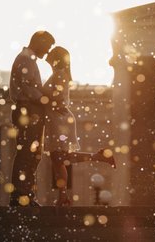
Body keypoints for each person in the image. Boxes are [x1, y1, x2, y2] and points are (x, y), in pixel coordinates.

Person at [42, 46, 116, 206]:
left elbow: (59, 98)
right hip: (56, 119)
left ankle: (63, 196)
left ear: (57, 58)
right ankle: (98, 157)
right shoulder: (58, 73)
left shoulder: (59, 74)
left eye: (51, 53)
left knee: (58, 158)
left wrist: (44, 98)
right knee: (59, 158)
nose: (47, 55)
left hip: (58, 120)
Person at [9, 31, 55, 206]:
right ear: (40, 41)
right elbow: (29, 89)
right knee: (27, 153)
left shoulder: (28, 59)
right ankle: (20, 195)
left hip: (30, 110)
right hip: (27, 110)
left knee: (33, 154)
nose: (48, 51)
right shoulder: (25, 59)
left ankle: (26, 194)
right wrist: (47, 100)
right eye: (48, 46)